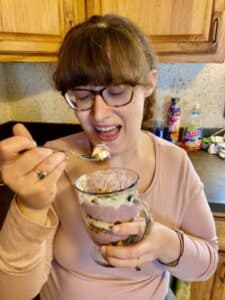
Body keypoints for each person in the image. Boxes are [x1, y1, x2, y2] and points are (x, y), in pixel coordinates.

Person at [0, 14, 218, 300]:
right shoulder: (50, 168)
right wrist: (29, 207)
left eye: (116, 92)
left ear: (149, 84)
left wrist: (166, 243)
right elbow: (10, 293)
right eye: (82, 96)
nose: (99, 115)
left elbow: (207, 265)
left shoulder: (175, 163)